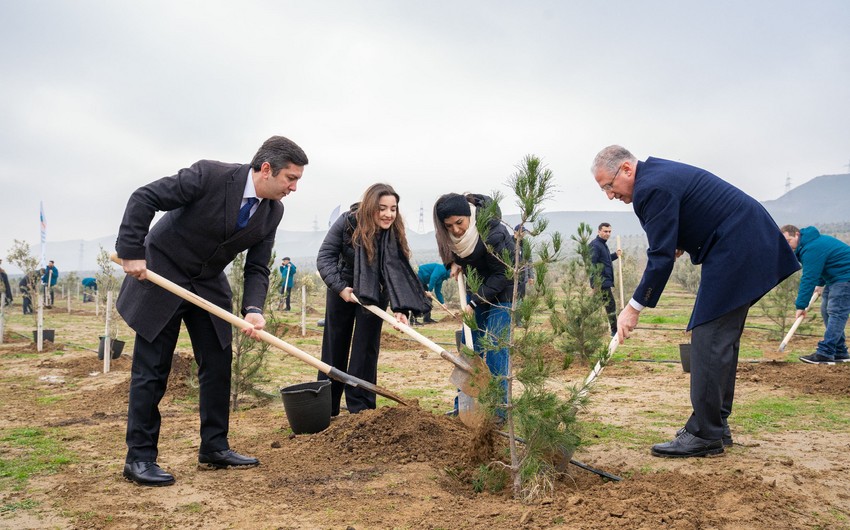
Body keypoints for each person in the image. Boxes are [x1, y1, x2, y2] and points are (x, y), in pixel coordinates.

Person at [115, 136, 308, 487]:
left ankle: (214, 447)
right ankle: (139, 458)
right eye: (290, 179)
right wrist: (131, 250)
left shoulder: (272, 211)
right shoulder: (210, 176)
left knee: (218, 362)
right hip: (163, 272)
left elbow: (257, 267)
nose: (294, 187)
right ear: (267, 169)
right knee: (152, 368)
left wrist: (253, 309)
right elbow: (145, 197)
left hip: (207, 282)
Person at [592, 145, 799, 458]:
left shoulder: (651, 187)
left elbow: (659, 257)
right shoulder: (656, 176)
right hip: (744, 240)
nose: (610, 195)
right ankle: (715, 425)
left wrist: (632, 308)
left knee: (708, 336)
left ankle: (704, 433)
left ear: (626, 169)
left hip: (737, 245)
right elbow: (684, 224)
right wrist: (680, 241)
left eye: (609, 186)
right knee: (720, 338)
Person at [316, 184, 429, 416]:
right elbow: (325, 256)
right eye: (382, 208)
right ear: (370, 207)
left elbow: (396, 271)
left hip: (375, 290)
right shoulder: (349, 222)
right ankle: (327, 406)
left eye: (393, 209)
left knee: (366, 347)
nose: (388, 214)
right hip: (344, 286)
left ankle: (362, 408)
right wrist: (340, 287)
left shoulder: (394, 231)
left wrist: (400, 309)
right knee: (335, 344)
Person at [433, 193, 515, 419]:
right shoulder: (450, 235)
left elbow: (502, 273)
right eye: (449, 226)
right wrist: (452, 261)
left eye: (459, 223)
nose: (456, 230)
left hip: (504, 289)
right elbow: (446, 244)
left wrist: (474, 301)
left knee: (497, 350)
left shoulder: (493, 230)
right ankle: (465, 406)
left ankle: (499, 412)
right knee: (471, 348)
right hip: (477, 288)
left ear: (469, 215)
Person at [780, 225, 850, 364]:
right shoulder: (809, 244)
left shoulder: (811, 248)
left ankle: (826, 352)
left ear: (797, 235)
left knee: (836, 313)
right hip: (835, 278)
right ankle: (840, 351)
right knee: (826, 311)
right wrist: (820, 283)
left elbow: (808, 277)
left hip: (845, 278)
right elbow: (826, 265)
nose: (787, 245)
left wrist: (801, 305)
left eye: (788, 241)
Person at [590, 223, 623, 336]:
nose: (607, 234)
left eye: (609, 231)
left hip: (605, 281)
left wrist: (615, 255)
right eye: (605, 231)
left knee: (594, 305)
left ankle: (577, 322)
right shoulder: (595, 245)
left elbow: (605, 261)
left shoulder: (603, 245)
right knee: (610, 305)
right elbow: (592, 265)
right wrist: (594, 284)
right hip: (601, 282)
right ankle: (615, 331)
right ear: (599, 231)